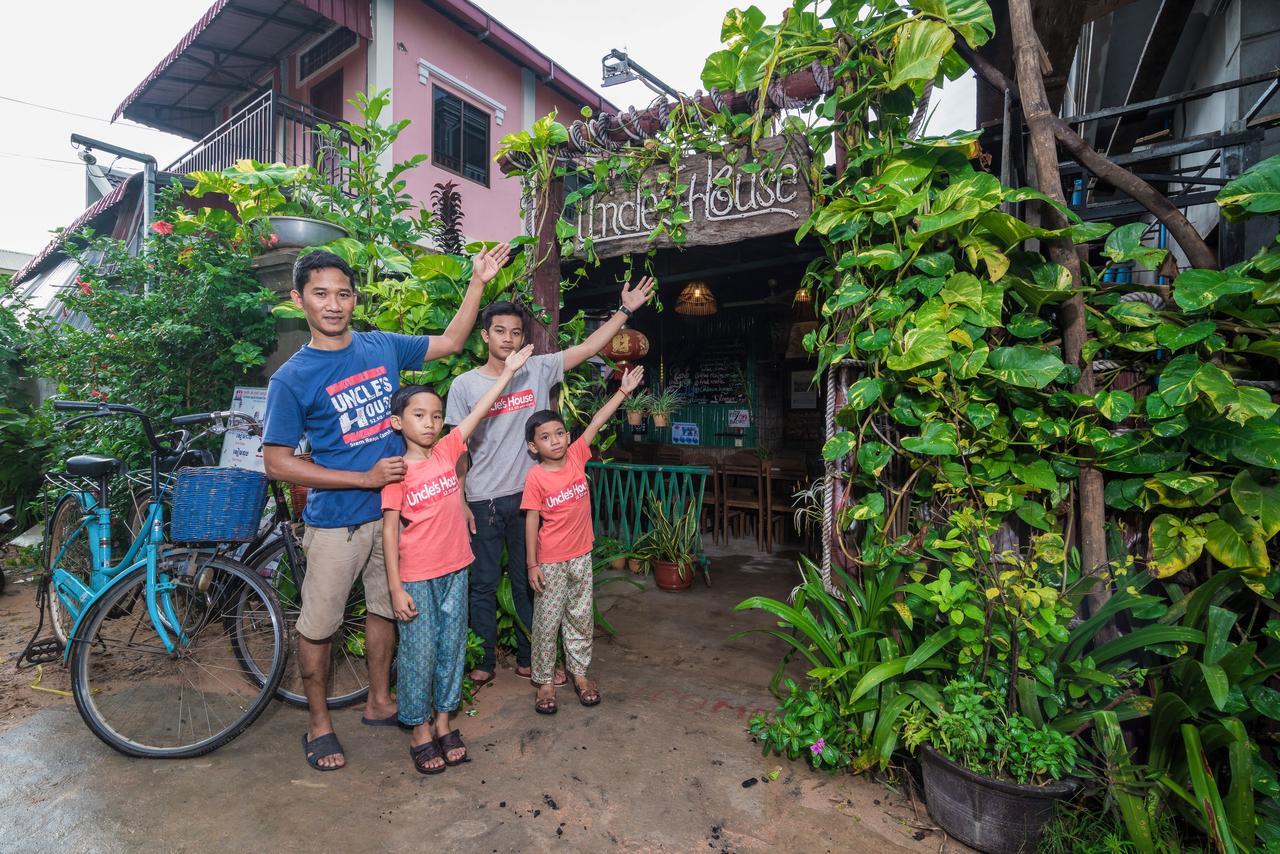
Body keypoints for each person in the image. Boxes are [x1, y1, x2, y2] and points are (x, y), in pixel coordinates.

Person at [262, 244, 510, 772]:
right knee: (320, 624)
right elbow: (278, 464)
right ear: (298, 299)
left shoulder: (382, 346)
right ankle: (319, 723)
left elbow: (450, 340)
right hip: (337, 523)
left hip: (400, 518)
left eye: (343, 294)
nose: (333, 305)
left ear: (355, 298)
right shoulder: (292, 377)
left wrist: (477, 283)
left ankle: (379, 700)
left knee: (385, 609)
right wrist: (361, 477)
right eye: (320, 294)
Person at [445, 276, 655, 688]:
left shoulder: (540, 368)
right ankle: (484, 660)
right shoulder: (464, 385)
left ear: (525, 337)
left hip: (531, 499)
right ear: (485, 336)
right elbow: (458, 449)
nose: (508, 339)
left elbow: (591, 348)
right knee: (483, 584)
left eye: (517, 332)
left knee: (530, 582)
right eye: (500, 332)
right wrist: (458, 499)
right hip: (483, 499)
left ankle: (530, 659)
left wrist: (626, 310)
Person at [382, 344, 534, 773]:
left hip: (456, 569)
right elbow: (389, 530)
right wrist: (395, 587)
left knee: (450, 649)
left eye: (435, 415)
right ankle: (419, 729)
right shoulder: (396, 470)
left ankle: (445, 721)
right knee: (419, 652)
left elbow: (479, 412)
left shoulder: (448, 451)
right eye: (418, 415)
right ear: (398, 422)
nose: (429, 423)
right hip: (415, 577)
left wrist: (506, 373)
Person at [522, 366, 644, 714]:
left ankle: (579, 674)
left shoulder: (576, 456)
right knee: (547, 621)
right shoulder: (536, 477)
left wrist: (623, 392)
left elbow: (596, 423)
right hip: (550, 561)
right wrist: (533, 563)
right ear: (534, 446)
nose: (556, 440)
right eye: (546, 437)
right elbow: (531, 521)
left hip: (581, 555)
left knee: (579, 616)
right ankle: (545, 682)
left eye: (560, 433)